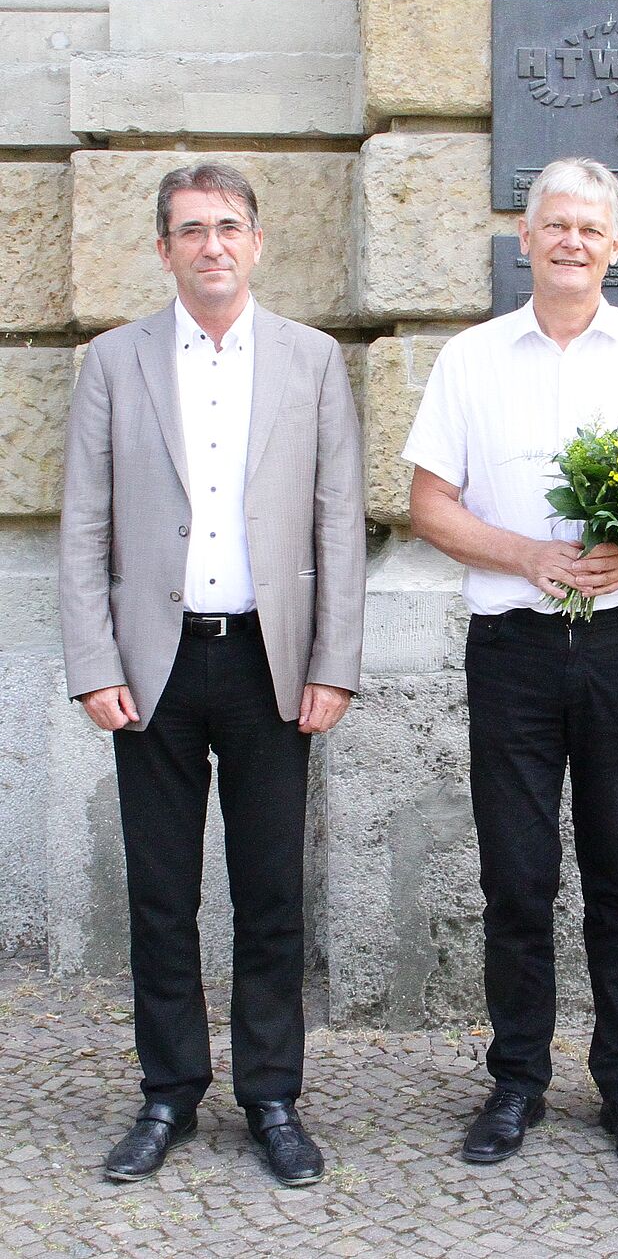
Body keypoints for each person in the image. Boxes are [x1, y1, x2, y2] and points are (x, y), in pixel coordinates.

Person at [404, 157, 618, 1175]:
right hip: (512, 652)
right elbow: (430, 504)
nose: (573, 242)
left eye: (592, 228)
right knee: (516, 875)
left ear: (616, 243)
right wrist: (530, 555)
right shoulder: (471, 358)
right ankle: (516, 1081)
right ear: (525, 237)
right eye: (556, 226)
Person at [59, 163, 366, 1186]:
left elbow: (338, 523)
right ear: (164, 250)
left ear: (258, 241)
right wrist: (94, 661)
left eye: (228, 226)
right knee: (161, 893)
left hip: (271, 666)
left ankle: (272, 1093)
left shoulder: (313, 361)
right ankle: (167, 1092)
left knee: (272, 890)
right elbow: (83, 526)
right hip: (154, 666)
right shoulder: (114, 360)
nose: (212, 246)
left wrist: (334, 663)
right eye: (191, 230)